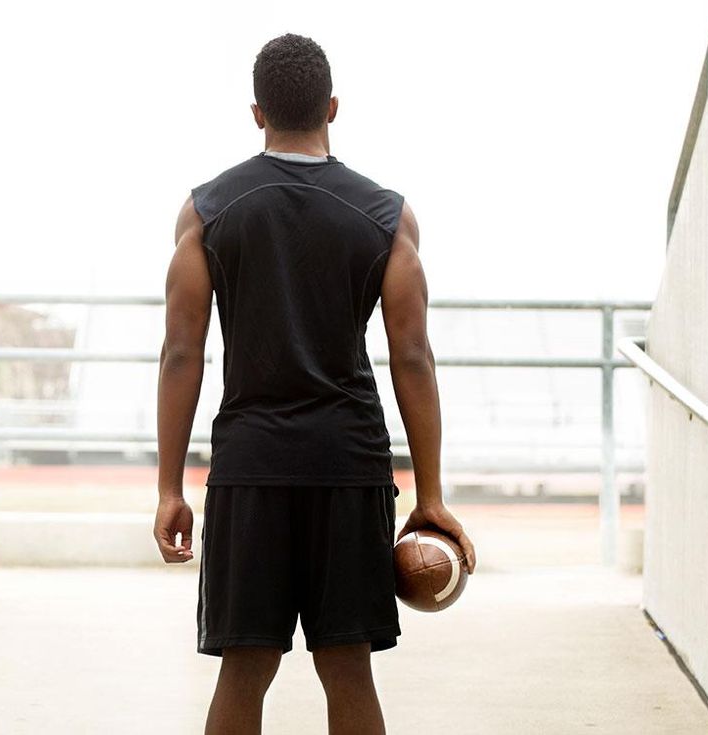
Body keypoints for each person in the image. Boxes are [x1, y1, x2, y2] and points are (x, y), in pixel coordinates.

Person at [154, 32, 477, 735]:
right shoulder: (387, 216)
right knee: (348, 665)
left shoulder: (205, 211)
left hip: (251, 467)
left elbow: (182, 353)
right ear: (332, 107)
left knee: (244, 667)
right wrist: (431, 495)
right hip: (348, 466)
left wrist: (168, 488)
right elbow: (412, 356)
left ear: (257, 113)